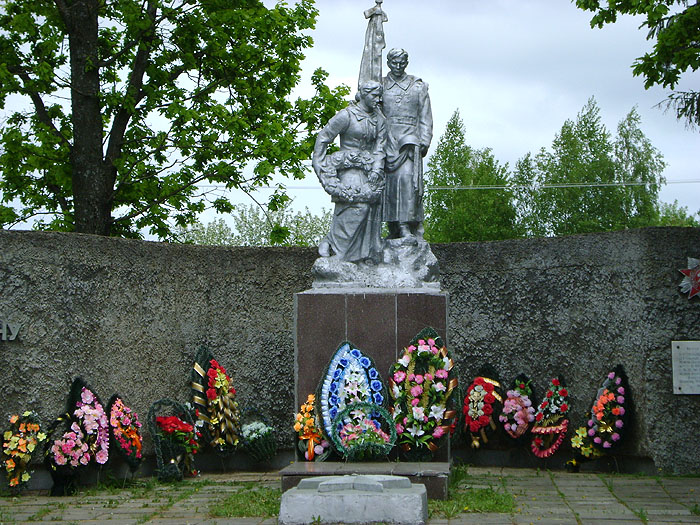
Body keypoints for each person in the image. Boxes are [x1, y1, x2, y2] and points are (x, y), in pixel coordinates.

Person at [312, 81, 386, 263]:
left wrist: (376, 169)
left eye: (379, 96)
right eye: (374, 96)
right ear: (363, 94)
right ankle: (338, 250)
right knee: (355, 207)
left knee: (370, 213)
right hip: (348, 168)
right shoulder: (346, 115)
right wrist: (322, 164)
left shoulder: (380, 120)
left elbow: (380, 147)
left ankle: (359, 258)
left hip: (369, 171)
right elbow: (324, 137)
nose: (378, 100)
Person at [382, 48, 433, 240]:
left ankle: (406, 225)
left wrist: (424, 142)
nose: (398, 66)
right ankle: (392, 227)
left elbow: (425, 118)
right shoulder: (381, 85)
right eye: (394, 63)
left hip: (410, 142)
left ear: (406, 63)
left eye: (401, 63)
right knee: (387, 185)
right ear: (388, 63)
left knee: (407, 182)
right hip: (387, 140)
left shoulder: (418, 87)